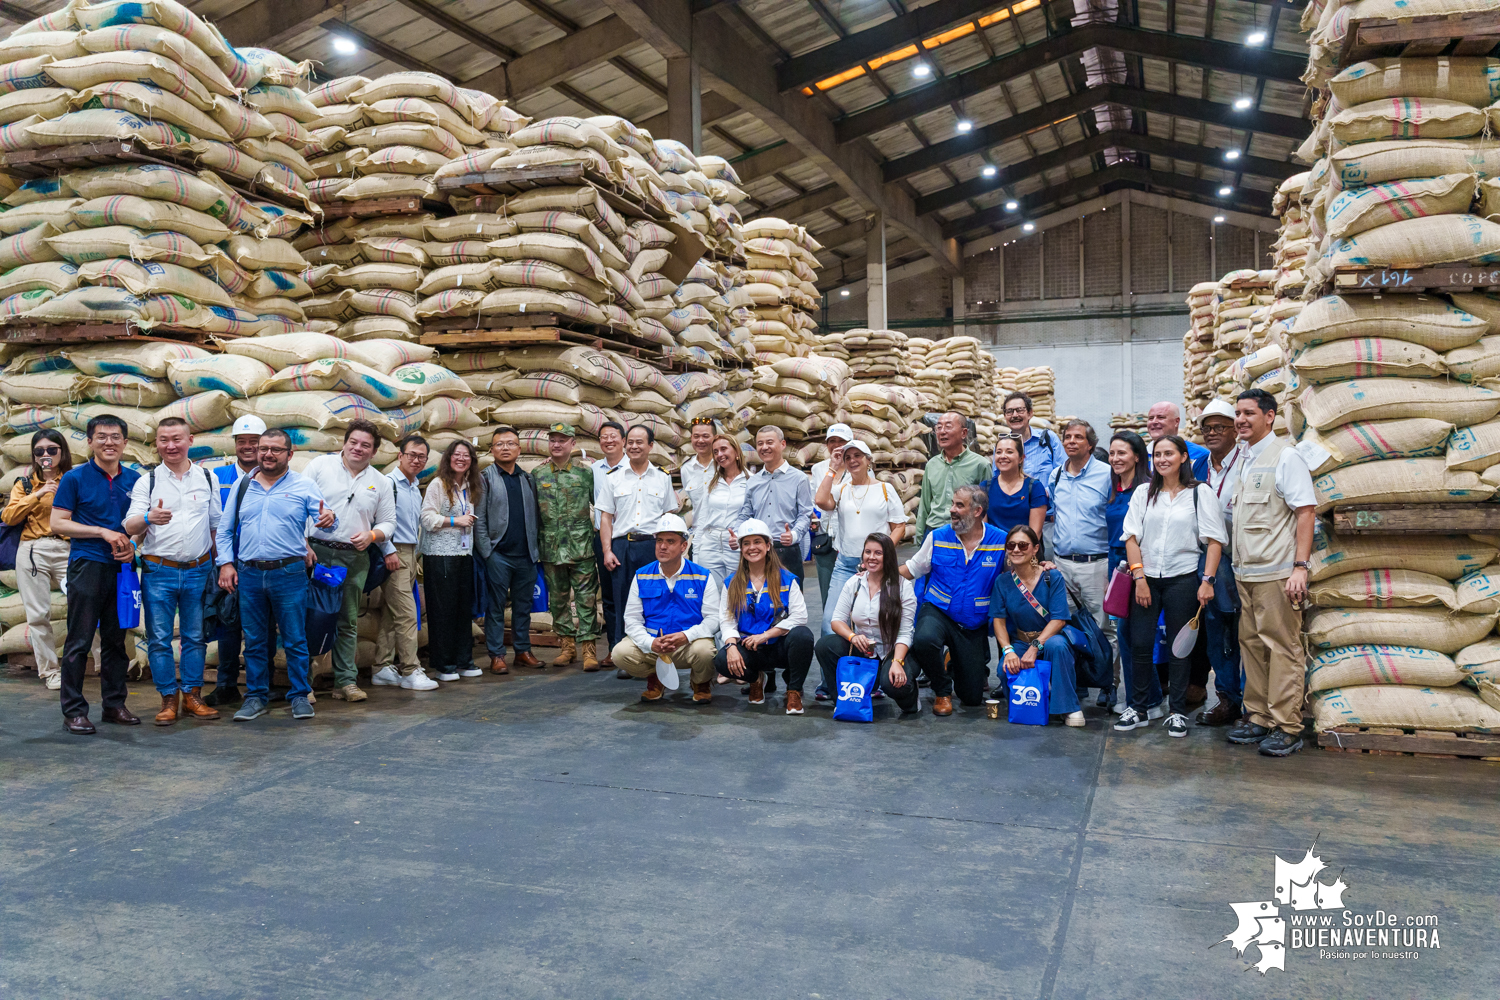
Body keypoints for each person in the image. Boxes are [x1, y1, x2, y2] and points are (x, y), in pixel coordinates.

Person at [214, 429, 337, 723]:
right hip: (250, 574)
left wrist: (329, 520)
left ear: (289, 455)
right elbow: (224, 530)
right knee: (255, 640)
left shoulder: (304, 486)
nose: (268, 454)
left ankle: (299, 695)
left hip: (289, 573)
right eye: (264, 448)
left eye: (276, 449)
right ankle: (256, 697)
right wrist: (225, 564)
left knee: (295, 638)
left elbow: (326, 522)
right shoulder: (243, 486)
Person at [1115, 435, 1226, 739]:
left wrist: (1207, 581)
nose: (1162, 460)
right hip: (1146, 579)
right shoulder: (1143, 494)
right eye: (1157, 455)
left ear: (1183, 458)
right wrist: (1139, 579)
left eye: (1168, 454)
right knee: (1139, 644)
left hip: (1183, 579)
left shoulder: (1199, 493)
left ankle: (1176, 711)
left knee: (1180, 649)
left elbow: (1214, 540)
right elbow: (1131, 538)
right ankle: (1137, 707)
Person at [1228, 388, 1317, 758]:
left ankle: (1287, 725)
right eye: (1238, 413)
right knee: (1251, 646)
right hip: (1245, 573)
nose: (1241, 420)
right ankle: (1260, 715)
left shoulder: (1286, 456)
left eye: (1249, 413)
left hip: (1276, 573)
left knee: (1282, 647)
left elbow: (1306, 511)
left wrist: (1300, 567)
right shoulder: (1245, 459)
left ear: (1270, 416)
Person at [123, 417, 222, 726]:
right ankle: (169, 698)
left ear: (190, 440)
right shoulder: (147, 481)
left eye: (177, 439)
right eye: (164, 440)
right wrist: (149, 517)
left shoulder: (207, 478)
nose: (171, 445)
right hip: (158, 571)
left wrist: (222, 565)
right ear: (157, 444)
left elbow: (216, 525)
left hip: (198, 570)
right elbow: (129, 526)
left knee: (195, 636)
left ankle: (193, 695)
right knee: (160, 638)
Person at [49, 415, 142, 735]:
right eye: (101, 437)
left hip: (123, 569)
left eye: (116, 437)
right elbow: (58, 523)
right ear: (89, 442)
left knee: (118, 640)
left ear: (125, 443)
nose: (109, 443)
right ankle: (74, 711)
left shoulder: (135, 479)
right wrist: (101, 532)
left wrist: (134, 545)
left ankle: (114, 705)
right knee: (80, 640)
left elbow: (143, 524)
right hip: (87, 565)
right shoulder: (75, 478)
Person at [304, 420, 396, 703]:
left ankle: (346, 682)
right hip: (316, 553)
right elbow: (295, 503)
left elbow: (389, 523)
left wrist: (372, 535)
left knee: (348, 621)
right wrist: (302, 543)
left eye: (365, 445)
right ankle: (303, 683)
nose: (358, 448)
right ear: (344, 443)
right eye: (353, 442)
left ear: (375, 451)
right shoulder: (320, 466)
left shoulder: (380, 482)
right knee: (310, 618)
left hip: (354, 559)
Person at [900, 485, 1007, 715]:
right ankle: (942, 691)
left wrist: (1041, 567)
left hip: (972, 622)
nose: (952, 510)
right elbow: (912, 569)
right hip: (938, 610)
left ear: (977, 511)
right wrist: (879, 573)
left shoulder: (1000, 541)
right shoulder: (937, 537)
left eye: (959, 505)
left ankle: (952, 658)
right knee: (924, 638)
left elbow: (1017, 571)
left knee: (971, 698)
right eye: (952, 504)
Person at [612, 513, 722, 704]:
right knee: (620, 654)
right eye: (660, 541)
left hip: (687, 645)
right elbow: (631, 619)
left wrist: (686, 636)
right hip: (654, 645)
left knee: (706, 651)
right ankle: (656, 677)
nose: (663, 546)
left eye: (670, 541)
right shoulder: (642, 576)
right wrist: (650, 642)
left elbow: (713, 619)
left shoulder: (702, 576)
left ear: (683, 546)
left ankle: (700, 682)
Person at [599, 424, 680, 677]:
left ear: (650, 446)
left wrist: (670, 551)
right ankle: (625, 658)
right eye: (630, 442)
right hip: (623, 547)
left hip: (653, 547)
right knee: (623, 603)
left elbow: (668, 516)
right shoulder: (613, 478)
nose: (634, 446)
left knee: (655, 601)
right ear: (625, 444)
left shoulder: (663, 478)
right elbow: (606, 519)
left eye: (640, 442)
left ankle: (658, 657)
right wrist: (607, 551)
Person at [813, 438, 906, 648]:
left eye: (857, 456)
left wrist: (881, 554)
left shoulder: (885, 489)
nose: (852, 461)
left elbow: (899, 526)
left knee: (879, 623)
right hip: (846, 565)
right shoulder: (842, 489)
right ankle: (832, 679)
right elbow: (820, 501)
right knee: (830, 624)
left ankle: (876, 671)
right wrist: (832, 468)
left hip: (878, 566)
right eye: (848, 458)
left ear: (868, 460)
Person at [989, 525, 1086, 727]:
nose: (1016, 549)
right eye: (1011, 545)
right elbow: (998, 620)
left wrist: (1035, 647)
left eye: (1023, 545)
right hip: (1021, 641)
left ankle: (1069, 707)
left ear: (1035, 548)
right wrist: (1008, 651)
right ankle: (1032, 703)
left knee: (1057, 647)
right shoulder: (1002, 582)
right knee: (1004, 668)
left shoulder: (1052, 577)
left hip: (1049, 638)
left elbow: (1059, 619)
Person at [716, 518, 815, 713]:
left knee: (803, 636)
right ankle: (756, 680)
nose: (752, 548)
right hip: (750, 647)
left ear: (768, 545)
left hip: (779, 646)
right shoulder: (732, 583)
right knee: (721, 660)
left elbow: (800, 617)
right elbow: (727, 621)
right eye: (746, 543)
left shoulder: (786, 579)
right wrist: (730, 646)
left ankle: (793, 690)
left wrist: (766, 635)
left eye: (757, 542)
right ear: (741, 548)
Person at [203, 414, 269, 707]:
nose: (247, 447)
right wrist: (222, 563)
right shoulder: (218, 477)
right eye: (241, 442)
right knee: (228, 627)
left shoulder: (274, 477)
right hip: (227, 564)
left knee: (263, 629)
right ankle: (227, 685)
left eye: (253, 442)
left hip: (261, 565)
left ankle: (262, 687)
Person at [814, 532, 918, 714]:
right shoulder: (854, 583)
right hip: (862, 649)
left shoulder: (903, 587)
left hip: (891, 650)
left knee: (894, 684)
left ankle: (911, 698)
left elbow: (905, 633)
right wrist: (852, 637)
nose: (871, 557)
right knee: (825, 646)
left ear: (888, 556)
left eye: (878, 553)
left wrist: (897, 662)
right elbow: (837, 620)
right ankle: (844, 700)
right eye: (868, 552)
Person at [1049, 420, 1115, 703]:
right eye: (1067, 437)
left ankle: (1109, 684)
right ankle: (1079, 680)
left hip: (1096, 563)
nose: (1071, 441)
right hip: (1062, 563)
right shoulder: (1056, 476)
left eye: (1079, 437)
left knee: (1104, 627)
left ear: (1090, 444)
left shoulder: (1106, 474)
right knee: (1068, 626)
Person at [2, 428, 72, 691]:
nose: (46, 455)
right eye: (40, 451)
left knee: (86, 604)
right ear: (33, 456)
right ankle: (51, 671)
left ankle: (96, 663)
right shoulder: (25, 484)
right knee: (38, 614)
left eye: (52, 450)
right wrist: (39, 494)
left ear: (62, 452)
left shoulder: (73, 480)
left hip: (68, 548)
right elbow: (9, 517)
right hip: (33, 550)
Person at [533, 422, 602, 670]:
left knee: (586, 600)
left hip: (581, 548)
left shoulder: (586, 474)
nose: (557, 444)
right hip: (551, 549)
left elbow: (602, 508)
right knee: (558, 601)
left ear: (573, 444)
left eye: (563, 440)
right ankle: (567, 647)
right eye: (553, 440)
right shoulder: (538, 475)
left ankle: (589, 650)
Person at [1196, 399, 1248, 726]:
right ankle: (1227, 699)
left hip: (1246, 558)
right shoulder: (1199, 466)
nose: (1212, 433)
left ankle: (1251, 703)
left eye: (1220, 427)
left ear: (1235, 431)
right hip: (1210, 561)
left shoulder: (1247, 461)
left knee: (1245, 635)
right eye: (1207, 428)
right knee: (1216, 631)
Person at [476, 426, 542, 672]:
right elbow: (479, 519)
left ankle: (523, 651)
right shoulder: (485, 478)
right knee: (495, 607)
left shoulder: (527, 478)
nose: (505, 448)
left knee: (523, 606)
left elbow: (534, 515)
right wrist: (487, 553)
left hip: (526, 555)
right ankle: (497, 655)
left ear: (519, 448)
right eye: (499, 444)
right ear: (492, 450)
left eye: (510, 443)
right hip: (498, 555)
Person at [372, 434, 435, 691]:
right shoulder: (389, 484)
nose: (417, 460)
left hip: (410, 553)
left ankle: (381, 666)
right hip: (394, 553)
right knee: (409, 614)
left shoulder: (414, 486)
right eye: (412, 455)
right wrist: (389, 551)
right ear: (400, 456)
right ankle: (410, 669)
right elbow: (377, 521)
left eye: (422, 456)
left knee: (391, 612)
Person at [421, 439, 483, 682]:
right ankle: (444, 664)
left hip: (463, 554)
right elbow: (427, 518)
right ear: (448, 458)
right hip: (440, 555)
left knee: (461, 609)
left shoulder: (469, 485)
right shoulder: (438, 484)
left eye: (466, 455)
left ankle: (463, 659)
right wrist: (456, 521)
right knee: (443, 610)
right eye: (456, 454)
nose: (461, 459)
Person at [1105, 430, 1157, 716]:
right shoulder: (1115, 489)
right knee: (1125, 634)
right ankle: (1152, 696)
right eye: (1112, 453)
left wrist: (1140, 575)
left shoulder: (1148, 489)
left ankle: (1143, 699)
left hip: (1137, 566)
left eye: (1122, 453)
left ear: (1138, 456)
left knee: (1132, 634)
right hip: (1116, 565)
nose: (1115, 459)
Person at [737, 426, 813, 584]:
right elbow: (745, 514)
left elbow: (805, 514)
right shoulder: (753, 481)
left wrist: (794, 534)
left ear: (783, 444)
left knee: (790, 602)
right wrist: (737, 533)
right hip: (758, 550)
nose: (764, 447)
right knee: (759, 599)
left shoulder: (799, 479)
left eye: (769, 442)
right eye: (760, 444)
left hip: (786, 549)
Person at [913, 411, 991, 546]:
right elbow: (925, 505)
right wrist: (920, 536)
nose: (942, 432)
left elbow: (987, 507)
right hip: (934, 530)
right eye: (938, 427)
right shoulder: (931, 464)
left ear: (964, 433)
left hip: (965, 532)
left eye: (948, 427)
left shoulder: (980, 465)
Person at [590, 420, 628, 666]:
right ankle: (615, 649)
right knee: (611, 598)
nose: (609, 440)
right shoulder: (593, 470)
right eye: (604, 437)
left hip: (626, 540)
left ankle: (634, 648)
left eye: (613, 436)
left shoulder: (635, 467)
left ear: (623, 441)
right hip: (601, 539)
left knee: (631, 596)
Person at [808, 423, 853, 615]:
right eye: (832, 441)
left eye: (841, 441)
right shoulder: (819, 469)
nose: (836, 445)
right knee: (827, 590)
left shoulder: (859, 467)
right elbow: (813, 498)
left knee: (852, 591)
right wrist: (812, 515)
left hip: (851, 537)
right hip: (825, 538)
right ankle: (830, 638)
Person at [693, 433, 748, 587]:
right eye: (716, 452)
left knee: (737, 593)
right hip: (710, 544)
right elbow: (702, 518)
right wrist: (696, 553)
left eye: (724, 449)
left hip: (736, 544)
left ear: (736, 452)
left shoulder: (751, 480)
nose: (719, 455)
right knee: (710, 594)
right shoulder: (712, 483)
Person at [986, 434, 1048, 537]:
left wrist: (1016, 549)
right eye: (998, 452)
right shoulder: (985, 488)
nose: (1003, 456)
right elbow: (984, 530)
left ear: (1021, 458)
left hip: (1024, 549)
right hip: (994, 550)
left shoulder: (1035, 488)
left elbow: (1035, 534)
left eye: (1009, 452)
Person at [1002, 392, 1064, 489]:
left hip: (1046, 502)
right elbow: (997, 479)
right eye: (1009, 411)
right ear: (1005, 416)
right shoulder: (1002, 446)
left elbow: (1063, 474)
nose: (1014, 415)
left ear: (1030, 413)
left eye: (1019, 410)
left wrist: (1047, 492)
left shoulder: (1048, 439)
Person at [1146, 401, 1210, 479]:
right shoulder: (1140, 455)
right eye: (1150, 418)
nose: (1154, 422)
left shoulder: (1199, 455)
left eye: (1161, 417)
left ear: (1177, 421)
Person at [679, 416, 717, 524]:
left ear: (715, 437)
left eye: (705, 436)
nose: (700, 440)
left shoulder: (724, 465)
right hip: (699, 534)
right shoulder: (686, 469)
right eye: (696, 436)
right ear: (691, 438)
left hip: (724, 534)